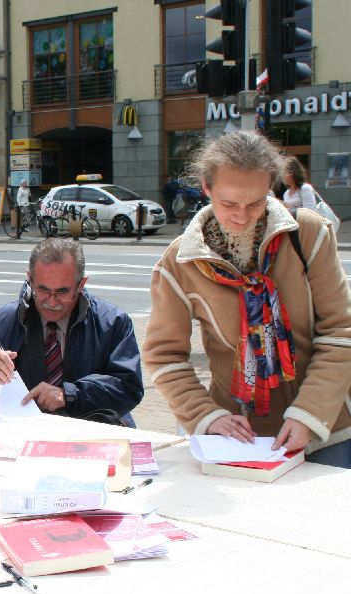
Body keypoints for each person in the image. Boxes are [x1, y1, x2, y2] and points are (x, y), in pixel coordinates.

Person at [144, 130, 351, 462]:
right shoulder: (180, 261)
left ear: (270, 187)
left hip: (327, 427)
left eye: (255, 203)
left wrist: (309, 412)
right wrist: (206, 416)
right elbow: (164, 356)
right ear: (206, 187)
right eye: (228, 203)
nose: (242, 216)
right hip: (241, 436)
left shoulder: (308, 235)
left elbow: (340, 332)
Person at [0, 237, 144, 423]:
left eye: (62, 292)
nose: (51, 302)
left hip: (94, 428)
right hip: (21, 431)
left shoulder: (113, 322)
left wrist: (68, 395)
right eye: (42, 290)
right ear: (30, 279)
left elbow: (128, 387)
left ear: (81, 285)